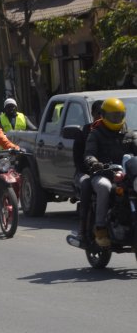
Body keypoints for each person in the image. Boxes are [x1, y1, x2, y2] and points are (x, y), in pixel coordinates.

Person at [83, 97, 137, 248]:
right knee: (104, 187)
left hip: (125, 175)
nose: (116, 119)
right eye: (113, 116)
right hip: (103, 174)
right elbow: (89, 154)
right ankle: (100, 228)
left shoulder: (129, 135)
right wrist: (94, 162)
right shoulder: (96, 134)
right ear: (104, 115)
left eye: (119, 115)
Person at [71, 100, 103, 246]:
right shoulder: (86, 131)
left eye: (106, 114)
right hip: (87, 172)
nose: (102, 117)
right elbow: (78, 157)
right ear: (93, 114)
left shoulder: (120, 130)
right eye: (99, 114)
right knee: (86, 184)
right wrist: (91, 168)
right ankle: (83, 229)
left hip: (109, 172)